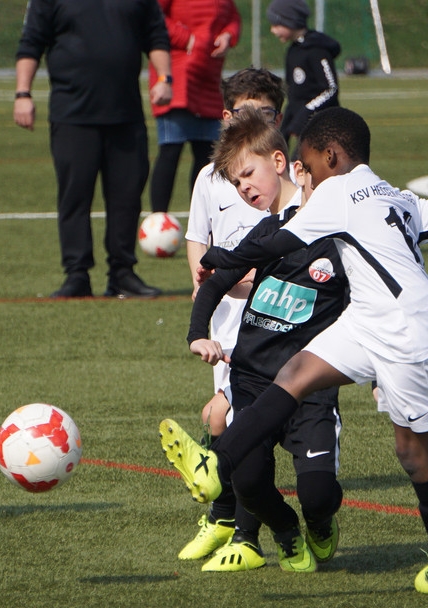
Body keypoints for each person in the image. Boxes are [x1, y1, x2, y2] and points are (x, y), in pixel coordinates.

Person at [162, 106, 428, 591]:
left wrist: (218, 256)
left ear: (330, 156)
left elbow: (273, 244)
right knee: (296, 374)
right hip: (371, 319)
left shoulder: (338, 191)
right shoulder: (394, 194)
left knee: (414, 452)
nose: (305, 176)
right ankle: (216, 464)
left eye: (308, 165)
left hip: (408, 335)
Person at [182, 114, 348, 573]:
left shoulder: (341, 242)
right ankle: (286, 531)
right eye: (236, 183)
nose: (243, 189)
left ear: (281, 163)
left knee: (318, 494)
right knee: (248, 484)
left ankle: (318, 522)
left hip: (308, 386)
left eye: (248, 175)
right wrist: (198, 335)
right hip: (253, 382)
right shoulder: (266, 232)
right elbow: (214, 283)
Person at [179, 69, 291, 566]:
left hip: (276, 317)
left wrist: (245, 282)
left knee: (233, 420)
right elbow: (197, 238)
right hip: (227, 319)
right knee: (223, 420)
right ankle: (229, 520)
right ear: (226, 116)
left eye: (264, 113)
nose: (253, 120)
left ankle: (238, 528)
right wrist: (202, 284)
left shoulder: (286, 183)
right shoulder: (210, 177)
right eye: (244, 111)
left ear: (277, 121)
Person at [13, 0, 173, 299]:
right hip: (72, 115)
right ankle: (77, 275)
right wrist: (23, 93)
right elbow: (31, 42)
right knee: (75, 196)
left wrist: (165, 78)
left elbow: (156, 36)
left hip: (125, 115)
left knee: (127, 197)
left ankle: (122, 274)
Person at [147, 0, 242, 216]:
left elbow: (233, 17)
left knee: (206, 156)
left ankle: (202, 220)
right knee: (171, 150)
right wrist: (186, 38)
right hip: (179, 76)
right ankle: (158, 221)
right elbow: (154, 14)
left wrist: (228, 35)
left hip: (208, 79)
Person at [266, 0, 341, 157]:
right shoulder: (293, 51)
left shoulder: (317, 50)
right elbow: (294, 94)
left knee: (303, 162)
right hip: (301, 123)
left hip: (321, 124)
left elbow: (330, 89)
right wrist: (285, 128)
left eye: (276, 24)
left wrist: (305, 113)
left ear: (290, 21)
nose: (272, 30)